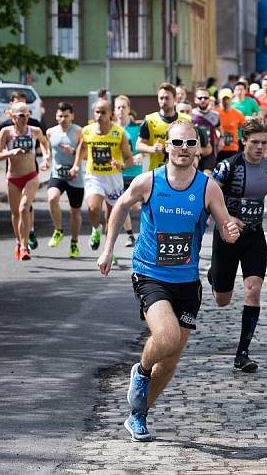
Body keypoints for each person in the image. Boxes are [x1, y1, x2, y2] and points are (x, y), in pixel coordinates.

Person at [97, 118, 240, 442]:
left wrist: (230, 230)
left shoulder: (207, 187)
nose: (184, 149)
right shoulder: (149, 182)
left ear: (199, 150)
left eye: (191, 144)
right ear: (166, 146)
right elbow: (119, 207)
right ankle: (142, 371)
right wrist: (108, 250)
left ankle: (138, 415)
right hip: (150, 273)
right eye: (177, 143)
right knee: (167, 335)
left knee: (172, 357)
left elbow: (224, 227)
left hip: (187, 280)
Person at [209, 118, 267, 372]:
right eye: (255, 142)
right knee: (222, 299)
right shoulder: (228, 166)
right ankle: (215, 278)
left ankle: (243, 353)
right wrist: (227, 218)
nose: (260, 147)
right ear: (244, 142)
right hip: (227, 236)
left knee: (253, 289)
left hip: (254, 236)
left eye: (265, 143)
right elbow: (210, 195)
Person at [71, 100, 134, 254]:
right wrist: (76, 166)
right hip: (94, 176)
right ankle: (96, 228)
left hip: (113, 178)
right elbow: (82, 148)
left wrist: (122, 166)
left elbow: (129, 158)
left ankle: (108, 250)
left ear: (110, 113)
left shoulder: (119, 133)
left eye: (103, 112)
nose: (99, 115)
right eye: (97, 112)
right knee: (93, 208)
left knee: (111, 218)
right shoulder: (87, 131)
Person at [0, 102, 51, 261]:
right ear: (12, 116)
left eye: (27, 114)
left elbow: (45, 144)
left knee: (24, 208)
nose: (25, 118)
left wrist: (46, 158)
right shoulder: (6, 132)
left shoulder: (35, 131)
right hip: (13, 178)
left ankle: (25, 247)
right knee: (15, 213)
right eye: (21, 115)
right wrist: (11, 152)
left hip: (30, 176)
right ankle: (18, 242)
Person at [45, 102, 84, 257]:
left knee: (75, 212)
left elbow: (85, 154)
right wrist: (46, 160)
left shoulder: (79, 132)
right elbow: (49, 152)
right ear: (56, 116)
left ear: (72, 116)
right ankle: (58, 230)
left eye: (66, 116)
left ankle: (74, 243)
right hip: (57, 174)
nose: (63, 119)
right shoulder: (50, 132)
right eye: (60, 116)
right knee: (52, 198)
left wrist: (74, 152)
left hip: (74, 176)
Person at [137, 83, 193, 172]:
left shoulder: (186, 119)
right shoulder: (149, 120)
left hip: (181, 171)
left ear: (175, 99)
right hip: (157, 172)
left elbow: (196, 145)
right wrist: (152, 149)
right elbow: (139, 145)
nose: (163, 101)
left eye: (167, 98)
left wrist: (196, 159)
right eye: (161, 98)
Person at [115, 95, 143, 247]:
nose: (120, 110)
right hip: (119, 174)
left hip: (136, 173)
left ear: (128, 109)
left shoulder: (136, 128)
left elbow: (143, 145)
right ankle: (130, 235)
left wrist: (140, 154)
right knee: (122, 203)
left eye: (123, 107)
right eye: (118, 107)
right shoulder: (112, 130)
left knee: (136, 206)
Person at [192, 87, 221, 172]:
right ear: (195, 100)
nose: (203, 100)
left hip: (210, 153)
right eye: (200, 98)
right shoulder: (191, 114)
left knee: (207, 178)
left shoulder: (215, 115)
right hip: (194, 152)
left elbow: (219, 129)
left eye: (206, 98)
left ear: (209, 99)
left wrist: (221, 139)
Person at [216, 88, 246, 162]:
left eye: (228, 99)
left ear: (231, 99)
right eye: (223, 99)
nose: (226, 101)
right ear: (219, 99)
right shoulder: (214, 113)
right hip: (218, 148)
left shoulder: (238, 114)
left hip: (233, 148)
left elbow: (245, 129)